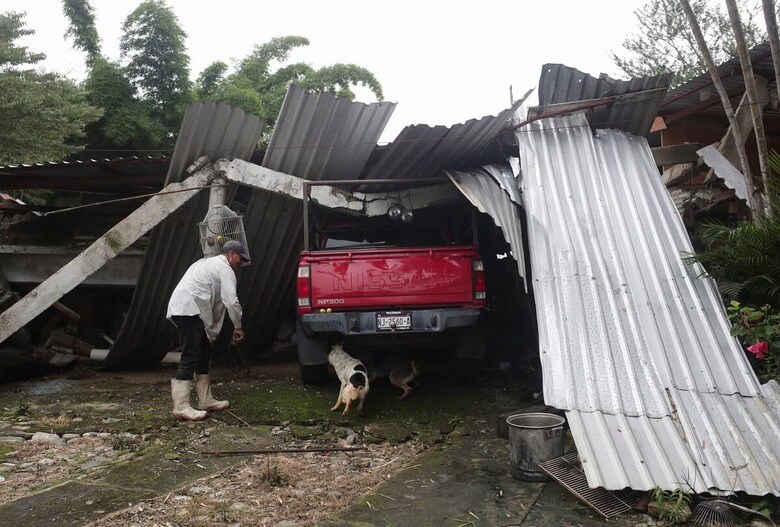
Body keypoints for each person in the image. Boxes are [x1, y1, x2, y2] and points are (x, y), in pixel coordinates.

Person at [166, 240, 250, 421]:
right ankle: (181, 406)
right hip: (189, 309)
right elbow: (230, 301)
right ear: (231, 254)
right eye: (240, 259)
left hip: (189, 309)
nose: (240, 264)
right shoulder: (225, 268)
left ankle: (206, 400)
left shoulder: (208, 263)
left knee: (204, 351)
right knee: (191, 354)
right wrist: (238, 326)